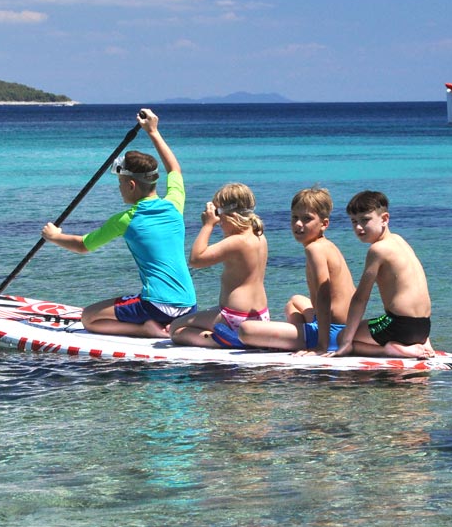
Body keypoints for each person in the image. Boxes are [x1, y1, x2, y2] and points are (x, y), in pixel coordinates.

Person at [41, 108, 195, 338]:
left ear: (132, 185)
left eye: (121, 183)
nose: (119, 188)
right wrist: (153, 132)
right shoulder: (175, 204)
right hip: (189, 305)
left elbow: (83, 245)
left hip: (155, 306)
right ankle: (161, 323)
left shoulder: (126, 219)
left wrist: (54, 236)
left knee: (89, 317)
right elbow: (174, 169)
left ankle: (145, 329)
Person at [217, 186, 354, 354]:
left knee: (246, 330)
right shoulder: (326, 245)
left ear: (324, 224)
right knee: (294, 302)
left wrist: (321, 346)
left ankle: (294, 340)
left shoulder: (315, 250)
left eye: (306, 219)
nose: (298, 224)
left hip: (330, 333)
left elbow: (323, 297)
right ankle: (292, 339)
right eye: (294, 217)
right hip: (341, 326)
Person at [328, 190, 434, 359]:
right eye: (354, 221)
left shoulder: (377, 249)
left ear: (384, 219)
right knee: (372, 325)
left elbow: (361, 298)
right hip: (423, 327)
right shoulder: (399, 240)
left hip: (399, 325)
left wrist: (346, 342)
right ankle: (420, 344)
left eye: (365, 220)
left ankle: (390, 349)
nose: (358, 227)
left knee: (342, 336)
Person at [168, 182, 269, 347]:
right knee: (197, 318)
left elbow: (196, 260)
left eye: (217, 214)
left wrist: (208, 225)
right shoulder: (259, 237)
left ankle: (221, 340)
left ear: (228, 214)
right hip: (260, 315)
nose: (218, 221)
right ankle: (231, 336)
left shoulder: (237, 241)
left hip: (235, 316)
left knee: (176, 329)